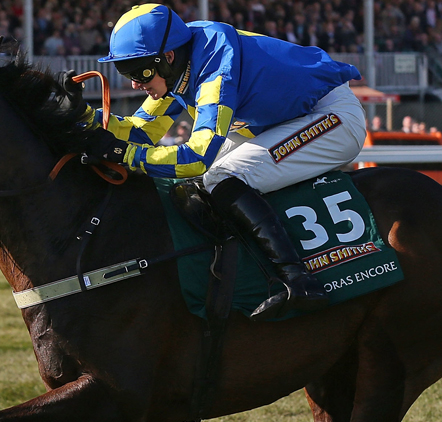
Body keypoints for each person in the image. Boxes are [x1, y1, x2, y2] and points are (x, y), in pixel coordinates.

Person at [80, 4, 365, 320]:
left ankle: (297, 280)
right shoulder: (183, 66)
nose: (135, 83)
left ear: (167, 58)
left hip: (331, 118)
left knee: (219, 176)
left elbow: (195, 158)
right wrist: (80, 116)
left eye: (138, 70)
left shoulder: (216, 70)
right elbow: (141, 131)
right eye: (126, 71)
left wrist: (124, 155)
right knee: (191, 190)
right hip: (284, 122)